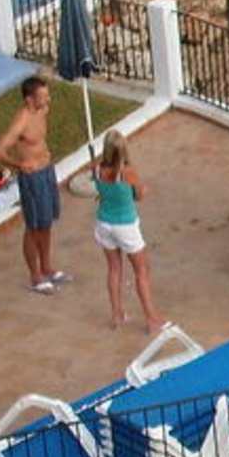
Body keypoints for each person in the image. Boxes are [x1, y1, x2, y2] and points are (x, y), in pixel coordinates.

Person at [0, 75, 69, 295]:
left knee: (46, 222)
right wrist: (19, 165)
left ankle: (47, 267)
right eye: (43, 96)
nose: (48, 100)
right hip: (32, 177)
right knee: (33, 227)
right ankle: (35, 276)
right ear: (29, 99)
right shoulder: (21, 122)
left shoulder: (42, 110)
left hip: (47, 171)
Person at [92, 129, 165, 333]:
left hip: (104, 224)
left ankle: (117, 315)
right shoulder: (127, 172)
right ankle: (151, 319)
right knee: (142, 271)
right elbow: (139, 195)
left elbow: (101, 191)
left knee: (114, 269)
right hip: (125, 226)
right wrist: (144, 190)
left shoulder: (96, 168)